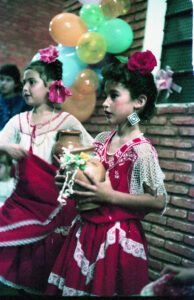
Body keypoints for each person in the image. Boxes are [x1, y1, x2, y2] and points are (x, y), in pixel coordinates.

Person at [46, 50, 168, 296]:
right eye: (105, 95)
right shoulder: (101, 140)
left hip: (116, 240)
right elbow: (89, 183)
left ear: (139, 102)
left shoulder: (142, 151)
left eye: (114, 96)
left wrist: (110, 196)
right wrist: (69, 182)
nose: (104, 103)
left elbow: (158, 200)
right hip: (85, 231)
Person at [0, 45, 94, 295]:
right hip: (23, 205)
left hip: (56, 211)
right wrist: (7, 147)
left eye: (32, 82)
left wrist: (73, 166)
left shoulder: (67, 122)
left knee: (41, 281)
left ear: (52, 84)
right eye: (24, 83)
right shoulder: (18, 121)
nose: (26, 88)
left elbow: (92, 153)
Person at [0, 64, 32, 130]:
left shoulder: (23, 103)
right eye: (1, 79)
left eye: (8, 80)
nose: (3, 83)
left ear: (16, 84)